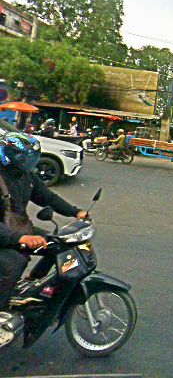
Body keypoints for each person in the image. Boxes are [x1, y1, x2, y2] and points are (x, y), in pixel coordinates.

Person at [0, 131, 88, 347]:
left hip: (17, 228)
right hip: (5, 235)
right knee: (14, 263)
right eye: (26, 158)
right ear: (11, 156)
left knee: (58, 244)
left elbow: (46, 196)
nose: (30, 163)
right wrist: (20, 238)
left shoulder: (25, 176)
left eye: (33, 158)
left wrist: (75, 212)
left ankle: (30, 284)